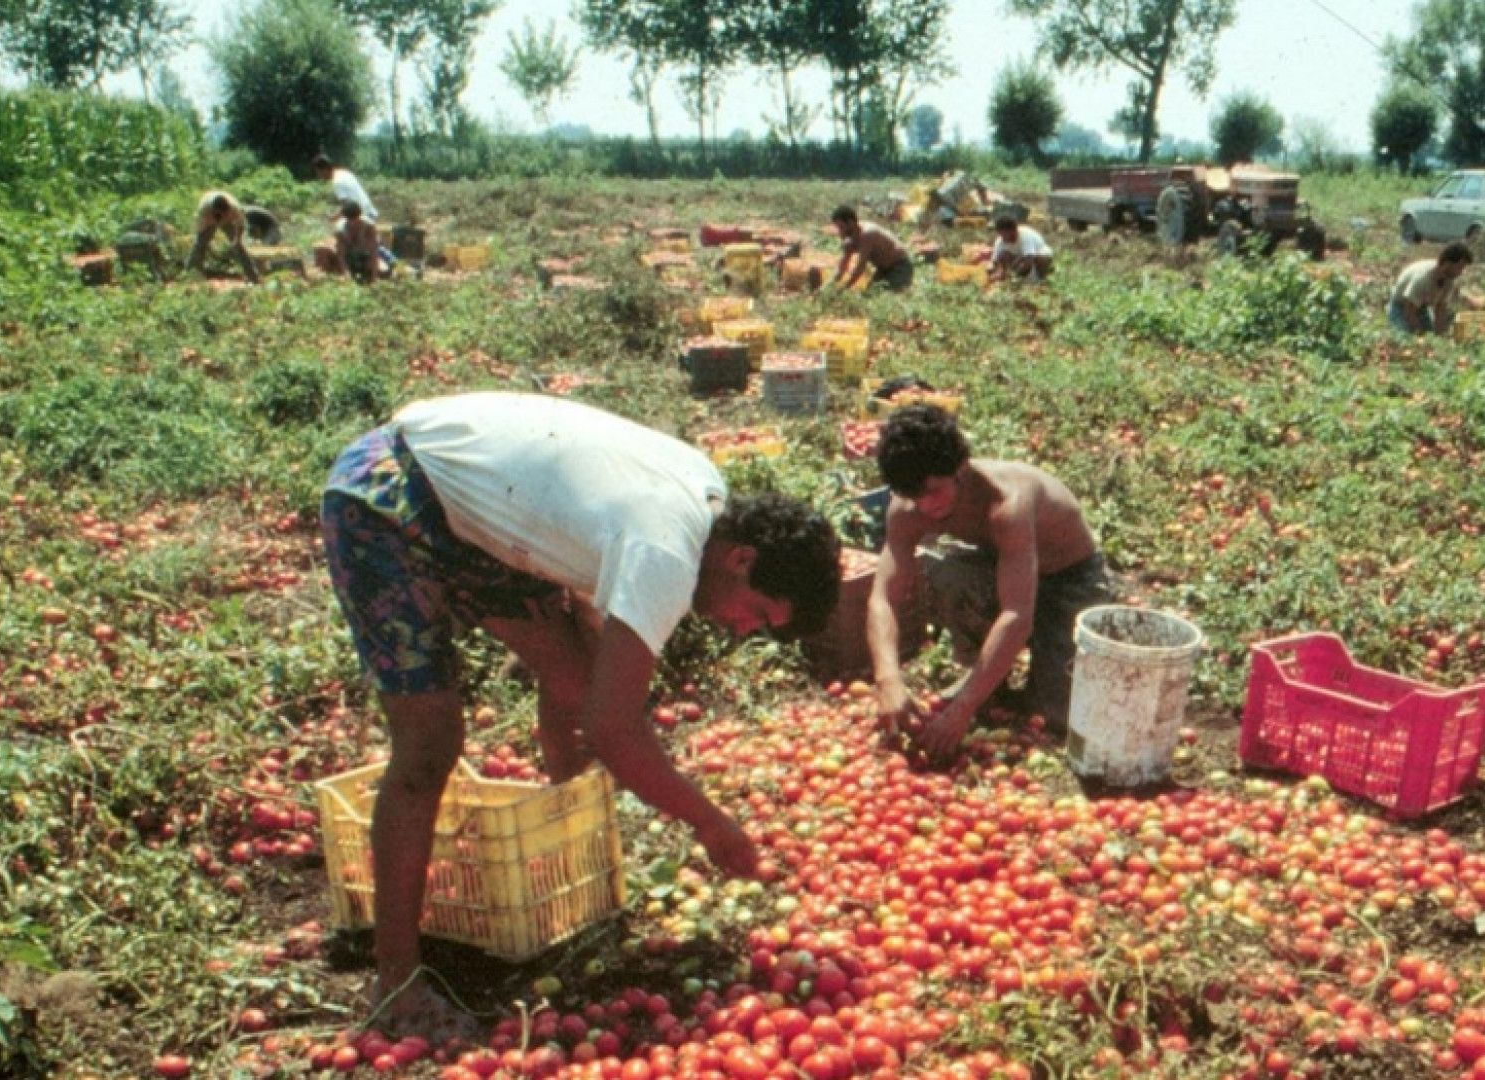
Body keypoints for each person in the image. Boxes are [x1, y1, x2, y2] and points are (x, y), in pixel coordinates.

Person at [319, 392, 840, 1040]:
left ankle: (572, 864)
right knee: (430, 743)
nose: (741, 629)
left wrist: (576, 742)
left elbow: (590, 668)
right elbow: (613, 729)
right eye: (757, 612)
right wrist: (710, 822)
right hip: (389, 495)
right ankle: (396, 982)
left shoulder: (705, 496)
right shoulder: (667, 555)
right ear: (742, 560)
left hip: (474, 512)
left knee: (574, 674)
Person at [867, 404, 1116, 760]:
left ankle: (999, 679)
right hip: (1002, 567)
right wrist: (888, 680)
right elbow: (883, 599)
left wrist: (962, 710)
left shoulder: (1006, 504)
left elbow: (1017, 614)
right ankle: (985, 678)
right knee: (951, 574)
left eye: (933, 491)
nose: (924, 506)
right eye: (913, 495)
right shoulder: (907, 510)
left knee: (1058, 714)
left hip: (1070, 578)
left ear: (960, 468)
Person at [1388, 242, 1473, 334]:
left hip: (1421, 309)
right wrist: (1420, 334)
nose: (1461, 272)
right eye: (1459, 267)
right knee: (1406, 338)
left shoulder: (1449, 280)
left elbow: (1440, 309)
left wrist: (1439, 335)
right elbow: (1409, 311)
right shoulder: (1422, 278)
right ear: (1447, 263)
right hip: (1401, 308)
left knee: (1431, 335)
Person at [830, 205, 914, 292]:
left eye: (841, 227)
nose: (840, 231)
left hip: (899, 267)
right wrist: (829, 287)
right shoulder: (851, 238)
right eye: (838, 228)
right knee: (869, 295)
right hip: (883, 270)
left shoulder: (868, 233)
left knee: (884, 297)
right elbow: (842, 266)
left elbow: (860, 266)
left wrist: (844, 289)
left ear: (851, 222)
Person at [184, 191, 260, 285]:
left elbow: (241, 225)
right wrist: (205, 241)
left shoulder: (235, 208)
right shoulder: (204, 209)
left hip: (228, 221)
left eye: (224, 213)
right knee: (199, 246)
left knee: (239, 247)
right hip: (208, 220)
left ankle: (253, 277)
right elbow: (200, 230)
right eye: (219, 213)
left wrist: (237, 239)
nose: (221, 216)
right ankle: (192, 275)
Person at [988, 215, 1054, 284]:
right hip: (1019, 260)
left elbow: (1029, 261)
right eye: (1000, 234)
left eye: (1004, 234)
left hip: (1036, 256)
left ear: (1013, 231)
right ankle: (1007, 279)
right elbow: (994, 261)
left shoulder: (1025, 236)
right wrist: (991, 270)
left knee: (1041, 258)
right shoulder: (1000, 241)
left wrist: (1015, 276)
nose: (1002, 237)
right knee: (1003, 255)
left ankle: (1041, 280)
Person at [334, 200, 381, 285]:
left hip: (366, 254)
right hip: (350, 256)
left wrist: (374, 277)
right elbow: (341, 254)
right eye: (350, 220)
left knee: (383, 271)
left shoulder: (369, 227)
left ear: (359, 215)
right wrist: (345, 272)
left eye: (355, 219)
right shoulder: (340, 230)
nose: (353, 223)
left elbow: (374, 252)